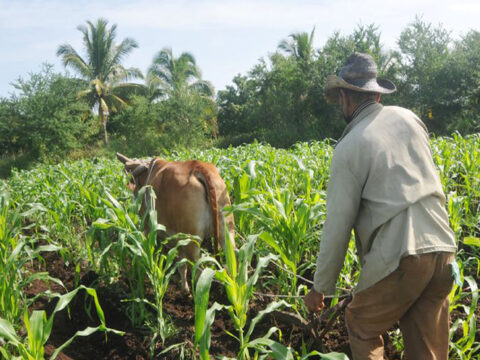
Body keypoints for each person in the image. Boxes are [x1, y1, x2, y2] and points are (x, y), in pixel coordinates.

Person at [304, 52, 457, 360]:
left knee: (361, 322)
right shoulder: (409, 119)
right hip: (443, 248)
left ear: (346, 98)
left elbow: (337, 227)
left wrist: (320, 289)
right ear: (376, 94)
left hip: (404, 254)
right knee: (424, 342)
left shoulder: (350, 146)